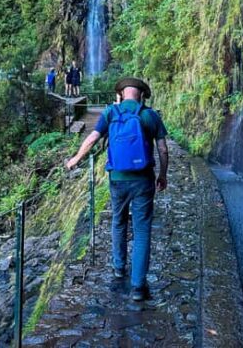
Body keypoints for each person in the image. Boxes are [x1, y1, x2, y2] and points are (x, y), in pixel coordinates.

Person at [65, 77, 168, 301]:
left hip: (117, 180)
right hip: (143, 181)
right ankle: (138, 287)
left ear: (120, 94)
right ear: (142, 95)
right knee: (142, 231)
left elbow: (93, 138)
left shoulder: (111, 113)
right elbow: (162, 149)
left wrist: (75, 159)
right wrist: (163, 175)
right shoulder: (150, 115)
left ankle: (119, 267)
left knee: (118, 221)